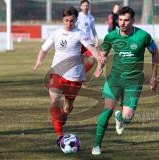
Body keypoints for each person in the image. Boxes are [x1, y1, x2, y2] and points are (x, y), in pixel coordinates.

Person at [33, 6, 105, 147]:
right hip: (57, 74)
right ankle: (60, 136)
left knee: (68, 106)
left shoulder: (80, 34)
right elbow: (44, 49)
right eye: (66, 20)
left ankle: (64, 114)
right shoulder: (56, 33)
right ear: (62, 20)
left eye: (72, 21)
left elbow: (91, 49)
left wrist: (99, 59)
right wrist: (39, 60)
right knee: (54, 101)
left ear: (76, 21)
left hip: (75, 77)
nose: (68, 23)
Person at [91, 6, 159, 155]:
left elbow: (155, 52)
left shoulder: (143, 36)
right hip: (114, 78)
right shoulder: (111, 36)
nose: (122, 23)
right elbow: (103, 54)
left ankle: (121, 118)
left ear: (133, 20)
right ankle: (96, 146)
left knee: (128, 117)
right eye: (120, 20)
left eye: (126, 20)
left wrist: (154, 76)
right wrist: (100, 66)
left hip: (134, 81)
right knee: (107, 110)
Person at [76, 0, 99, 73]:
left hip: (88, 43)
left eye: (87, 5)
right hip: (78, 43)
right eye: (84, 5)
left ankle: (81, 75)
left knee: (92, 60)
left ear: (89, 6)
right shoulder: (77, 16)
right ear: (81, 7)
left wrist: (97, 40)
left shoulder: (91, 17)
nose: (86, 7)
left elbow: (93, 30)